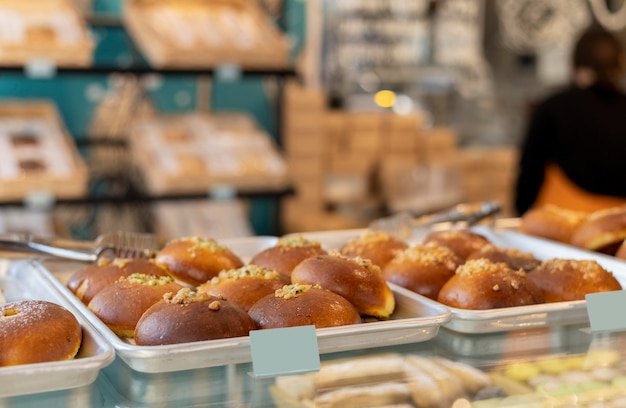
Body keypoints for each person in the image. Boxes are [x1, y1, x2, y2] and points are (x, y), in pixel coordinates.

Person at [514, 25, 626, 215]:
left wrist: (520, 214)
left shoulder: (553, 107)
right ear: (619, 63)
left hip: (565, 225)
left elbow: (530, 173)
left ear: (575, 63)